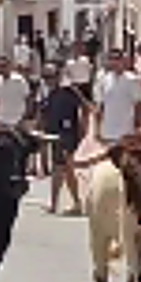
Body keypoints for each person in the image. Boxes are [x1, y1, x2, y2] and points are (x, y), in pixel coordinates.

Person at [39, 66, 83, 215]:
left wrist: (82, 130)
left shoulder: (68, 92)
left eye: (51, 77)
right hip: (54, 136)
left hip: (67, 135)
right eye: (45, 77)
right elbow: (44, 115)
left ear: (58, 76)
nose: (48, 80)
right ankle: (55, 203)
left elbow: (85, 107)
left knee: (66, 170)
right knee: (58, 170)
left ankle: (76, 203)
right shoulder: (48, 94)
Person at [94, 47, 141, 145]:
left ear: (123, 60)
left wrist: (138, 128)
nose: (115, 62)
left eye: (117, 58)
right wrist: (97, 130)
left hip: (127, 133)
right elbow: (100, 107)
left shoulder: (132, 80)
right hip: (107, 133)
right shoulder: (103, 80)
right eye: (111, 59)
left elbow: (139, 105)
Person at [0, 56, 30, 129]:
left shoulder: (20, 81)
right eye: (0, 66)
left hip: (18, 121)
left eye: (4, 66)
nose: (2, 69)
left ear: (10, 66)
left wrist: (25, 118)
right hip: (1, 121)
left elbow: (28, 100)